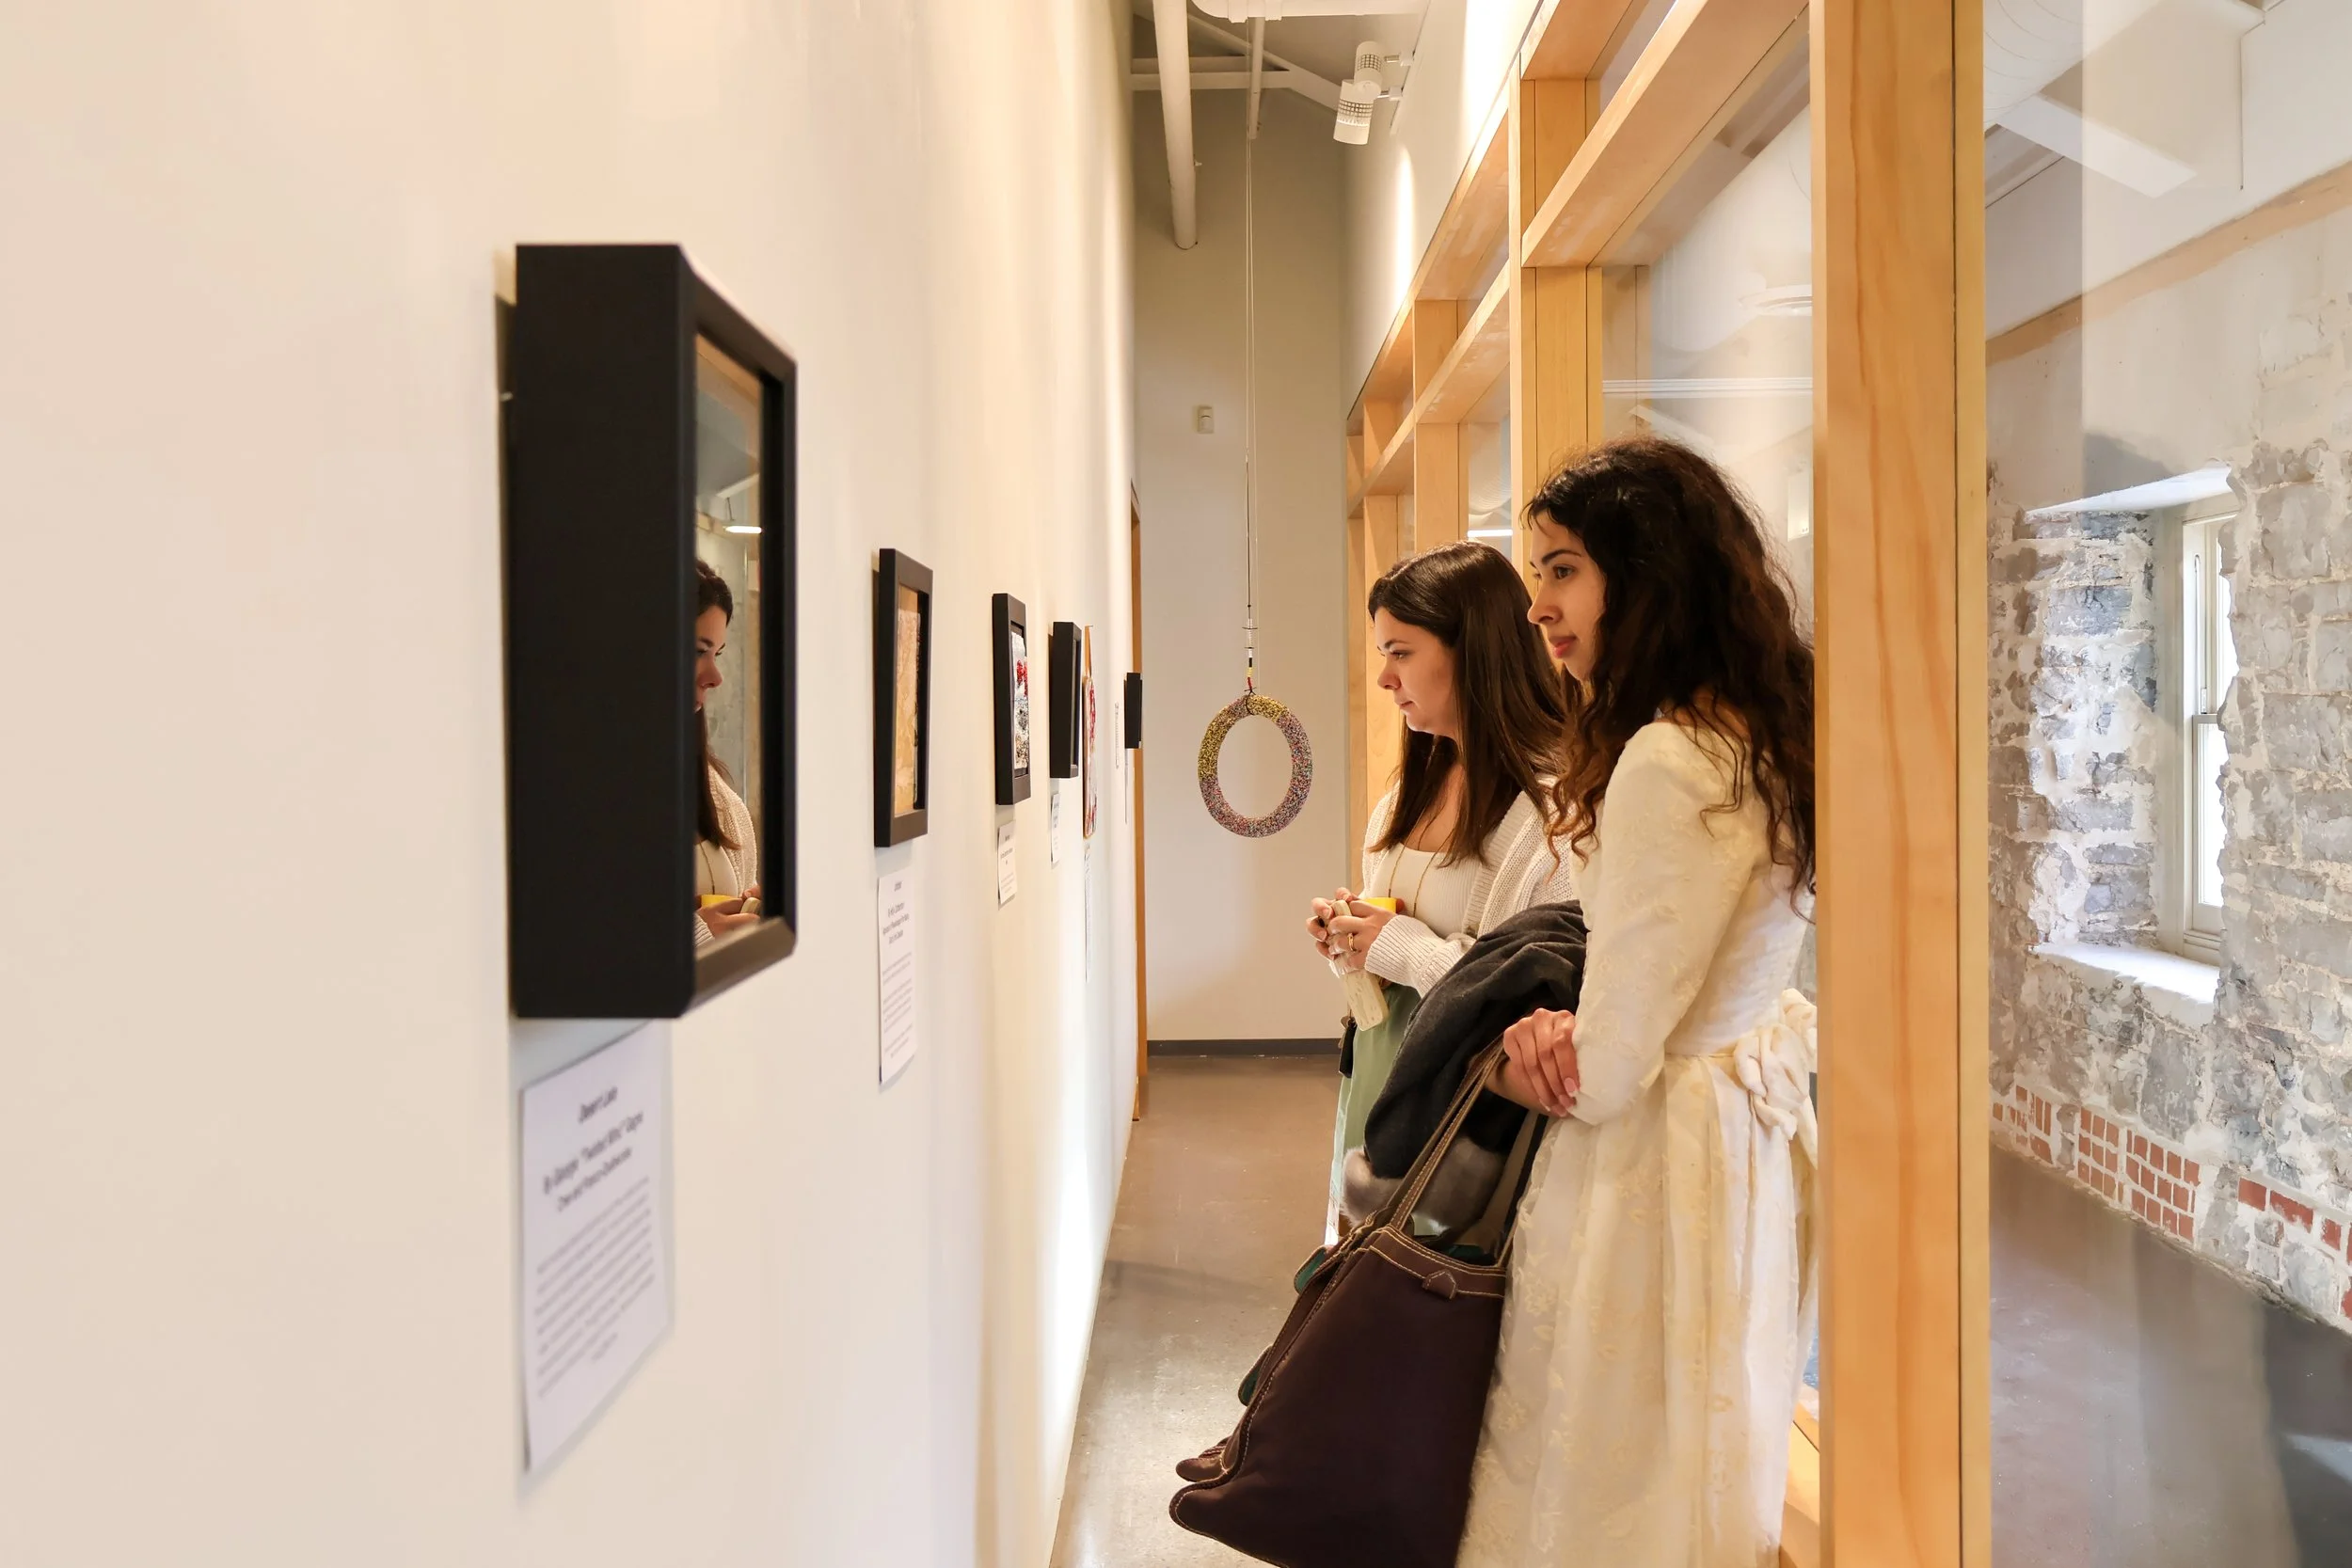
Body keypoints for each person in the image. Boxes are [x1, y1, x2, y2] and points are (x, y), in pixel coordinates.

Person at [1460, 437, 1818, 1568]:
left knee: (1608, 1478)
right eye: (1537, 576)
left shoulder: (1666, 758)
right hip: (1736, 1149)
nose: (1538, 607)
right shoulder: (1757, 737)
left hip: (1652, 1171)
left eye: (1563, 570)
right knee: (1700, 1467)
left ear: (1646, 574)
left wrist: (1502, 1053)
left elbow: (1607, 1066)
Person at [1304, 540, 1574, 1234]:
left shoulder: (1550, 811)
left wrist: (1400, 948)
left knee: (1424, 1305)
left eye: (1401, 651)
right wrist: (1350, 939)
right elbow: (1392, 944)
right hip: (1381, 1073)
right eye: (1382, 654)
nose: (1385, 679)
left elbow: (1523, 996)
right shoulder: (1410, 786)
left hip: (1462, 1110)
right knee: (1360, 1290)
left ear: (1472, 650)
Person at [692, 559, 760, 945]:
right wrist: (697, 937)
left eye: (716, 654)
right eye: (698, 650)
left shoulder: (713, 790)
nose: (715, 676)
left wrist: (753, 912)